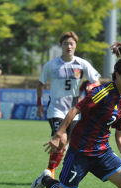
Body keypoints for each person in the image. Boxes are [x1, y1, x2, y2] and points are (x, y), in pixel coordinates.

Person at [31, 42, 121, 188]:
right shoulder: (102, 93)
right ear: (117, 76)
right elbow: (75, 109)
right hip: (80, 152)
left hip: (102, 153)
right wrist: (59, 134)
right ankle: (46, 179)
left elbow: (120, 134)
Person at [36, 31, 101, 178]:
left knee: (66, 145)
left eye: (71, 43)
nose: (68, 46)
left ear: (76, 46)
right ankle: (50, 171)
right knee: (61, 139)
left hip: (74, 110)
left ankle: (52, 170)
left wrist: (93, 86)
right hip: (56, 109)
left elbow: (97, 81)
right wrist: (39, 104)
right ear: (61, 45)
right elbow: (40, 84)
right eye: (65, 43)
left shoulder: (82, 64)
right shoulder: (52, 65)